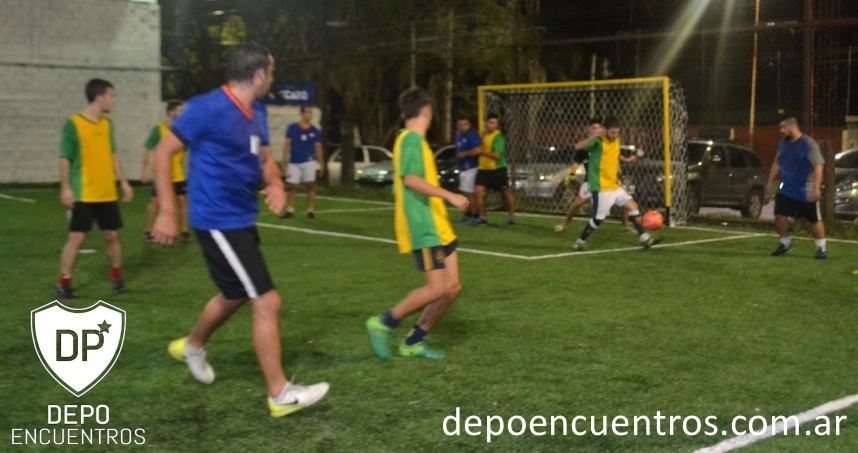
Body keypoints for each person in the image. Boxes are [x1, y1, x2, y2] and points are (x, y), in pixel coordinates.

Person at [151, 43, 329, 417]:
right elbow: (162, 152)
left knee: (234, 295)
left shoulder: (257, 111)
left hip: (241, 218)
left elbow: (264, 158)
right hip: (217, 220)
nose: (273, 78)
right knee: (267, 300)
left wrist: (275, 183)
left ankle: (193, 346)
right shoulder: (207, 107)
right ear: (259, 74)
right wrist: (167, 211)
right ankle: (279, 394)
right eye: (272, 72)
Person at [365, 87, 468, 361]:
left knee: (452, 288)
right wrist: (450, 195)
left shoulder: (413, 141)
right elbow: (411, 180)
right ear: (427, 111)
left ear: (404, 113)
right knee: (437, 288)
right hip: (425, 226)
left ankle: (413, 341)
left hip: (439, 225)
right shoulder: (410, 140)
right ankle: (383, 323)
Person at [56, 78, 133, 298]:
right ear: (99, 97)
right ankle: (64, 283)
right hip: (84, 192)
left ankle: (117, 279)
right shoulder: (74, 123)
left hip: (106, 192)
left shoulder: (107, 124)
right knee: (77, 238)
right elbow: (65, 158)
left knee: (112, 236)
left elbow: (112, 155)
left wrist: (124, 182)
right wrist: (66, 187)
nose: (113, 100)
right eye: (111, 95)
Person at [572, 117, 659, 251]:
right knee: (598, 220)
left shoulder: (616, 141)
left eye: (617, 132)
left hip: (614, 185)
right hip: (601, 187)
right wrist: (594, 136)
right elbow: (578, 147)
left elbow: (615, 155)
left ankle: (644, 237)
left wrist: (630, 159)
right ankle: (580, 242)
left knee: (633, 206)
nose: (615, 135)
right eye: (612, 132)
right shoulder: (598, 142)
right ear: (605, 130)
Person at [767, 116, 827, 259]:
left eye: (783, 127)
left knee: (814, 220)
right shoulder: (783, 143)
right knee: (779, 215)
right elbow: (777, 162)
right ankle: (785, 243)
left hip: (805, 190)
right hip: (785, 188)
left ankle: (821, 248)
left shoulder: (808, 143)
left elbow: (818, 165)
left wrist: (816, 187)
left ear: (792, 127)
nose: (781, 131)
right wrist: (770, 181)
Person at [141, 100, 189, 243]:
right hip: (162, 174)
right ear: (170, 112)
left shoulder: (184, 130)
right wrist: (144, 170)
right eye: (180, 111)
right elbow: (148, 149)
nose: (182, 113)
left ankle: (184, 230)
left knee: (182, 201)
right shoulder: (159, 129)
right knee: (155, 201)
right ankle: (148, 230)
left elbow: (187, 151)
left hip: (178, 174)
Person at [281, 105, 325, 219]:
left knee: (310, 186)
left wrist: (321, 163)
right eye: (307, 112)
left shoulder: (315, 130)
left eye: (310, 112)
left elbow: (318, 147)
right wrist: (284, 160)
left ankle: (311, 210)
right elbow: (287, 144)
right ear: (301, 113)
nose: (309, 115)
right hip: (294, 161)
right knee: (292, 186)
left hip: (309, 161)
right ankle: (290, 210)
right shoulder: (292, 128)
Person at [474, 114, 516, 225]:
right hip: (483, 169)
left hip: (497, 169)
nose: (493, 125)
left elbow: (496, 155)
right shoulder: (482, 134)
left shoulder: (498, 137)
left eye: (495, 123)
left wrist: (481, 152)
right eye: (490, 122)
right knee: (479, 192)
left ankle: (511, 215)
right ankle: (482, 217)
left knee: (505, 194)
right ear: (486, 123)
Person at [454, 115, 482, 222]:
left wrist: (464, 154)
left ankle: (474, 215)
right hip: (463, 167)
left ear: (469, 125)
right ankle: (468, 213)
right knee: (465, 192)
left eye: (465, 124)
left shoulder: (472, 135)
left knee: (470, 192)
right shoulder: (458, 134)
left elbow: (478, 150)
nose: (462, 127)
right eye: (460, 125)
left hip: (472, 167)